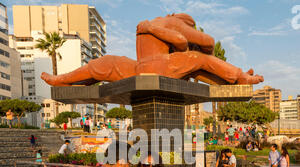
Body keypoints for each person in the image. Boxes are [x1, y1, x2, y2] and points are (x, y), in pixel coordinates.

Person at [41, 14, 263, 87]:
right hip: (159, 67)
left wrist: (150, 28)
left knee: (104, 63)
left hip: (141, 69)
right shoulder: (174, 23)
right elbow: (192, 42)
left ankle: (62, 79)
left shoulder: (152, 23)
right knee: (198, 60)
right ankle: (238, 77)